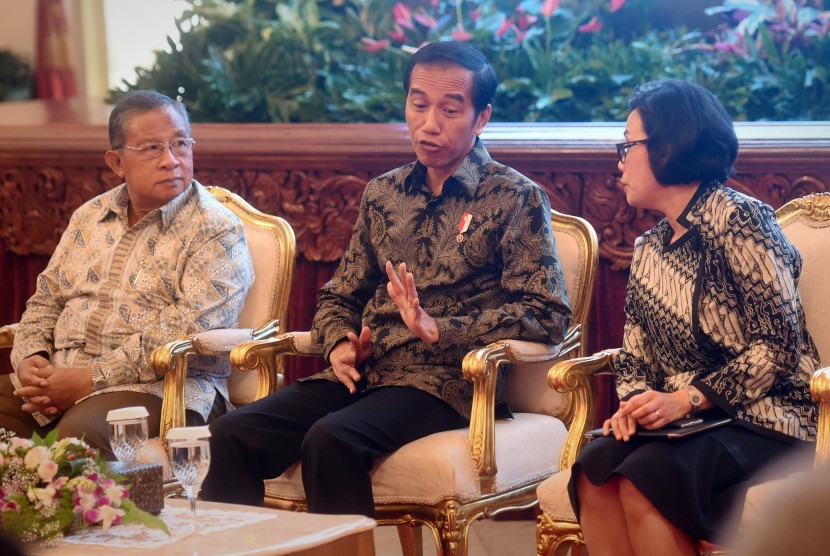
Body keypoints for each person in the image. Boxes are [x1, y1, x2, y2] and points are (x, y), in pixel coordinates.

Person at [200, 41, 573, 516]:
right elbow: (339, 295)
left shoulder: (514, 197)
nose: (429, 123)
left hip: (447, 382)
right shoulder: (384, 194)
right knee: (230, 434)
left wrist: (442, 329)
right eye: (418, 105)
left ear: (481, 118)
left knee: (332, 439)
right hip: (369, 372)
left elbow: (547, 314)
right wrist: (338, 342)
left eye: (450, 109)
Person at [568, 79, 819, 556]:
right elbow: (635, 356)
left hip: (769, 416)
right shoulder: (648, 248)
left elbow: (779, 347)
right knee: (595, 468)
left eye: (628, 145)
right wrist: (639, 404)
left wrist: (688, 398)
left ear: (668, 146)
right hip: (687, 424)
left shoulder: (740, 220)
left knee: (649, 478)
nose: (619, 162)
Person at [0, 90, 255, 459]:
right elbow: (45, 299)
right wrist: (30, 360)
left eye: (180, 144)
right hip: (59, 377)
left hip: (162, 387)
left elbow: (192, 331)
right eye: (152, 148)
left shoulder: (215, 229)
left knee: (76, 442)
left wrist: (90, 379)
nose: (171, 161)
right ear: (116, 162)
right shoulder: (90, 216)